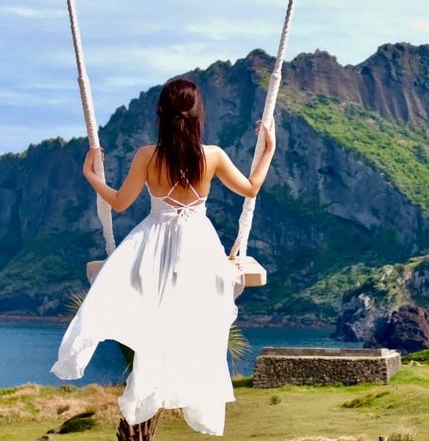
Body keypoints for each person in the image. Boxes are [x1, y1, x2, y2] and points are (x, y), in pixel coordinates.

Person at [51, 78, 277, 436]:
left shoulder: (148, 156)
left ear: (161, 114)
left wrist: (91, 176)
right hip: (198, 248)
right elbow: (251, 187)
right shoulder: (213, 156)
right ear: (198, 114)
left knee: (151, 323)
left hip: (153, 244)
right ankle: (163, 391)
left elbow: (120, 202)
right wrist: (267, 151)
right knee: (187, 324)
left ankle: (145, 398)